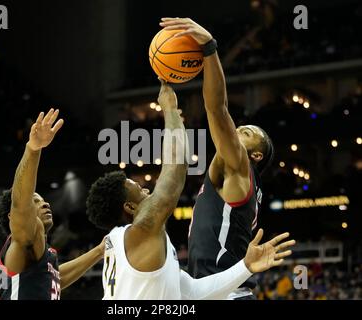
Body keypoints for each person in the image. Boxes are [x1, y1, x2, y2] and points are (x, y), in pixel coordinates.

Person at [86, 81, 294, 300]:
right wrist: (170, 109)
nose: (147, 190)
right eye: (138, 188)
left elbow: (195, 292)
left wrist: (245, 267)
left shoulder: (118, 243)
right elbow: (176, 164)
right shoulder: (143, 231)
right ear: (129, 206)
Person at [159, 17, 275, 300]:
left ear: (255, 154)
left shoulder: (239, 164)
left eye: (246, 132)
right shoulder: (232, 173)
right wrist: (171, 113)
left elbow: (218, 109)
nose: (238, 130)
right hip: (212, 291)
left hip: (227, 293)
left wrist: (209, 48)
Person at [0, 108, 104, 300]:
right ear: (13, 218)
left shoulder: (42, 256)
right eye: (36, 201)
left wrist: (100, 251)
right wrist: (33, 149)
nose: (46, 205)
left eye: (44, 200)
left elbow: (55, 278)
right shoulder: (22, 240)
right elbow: (20, 203)